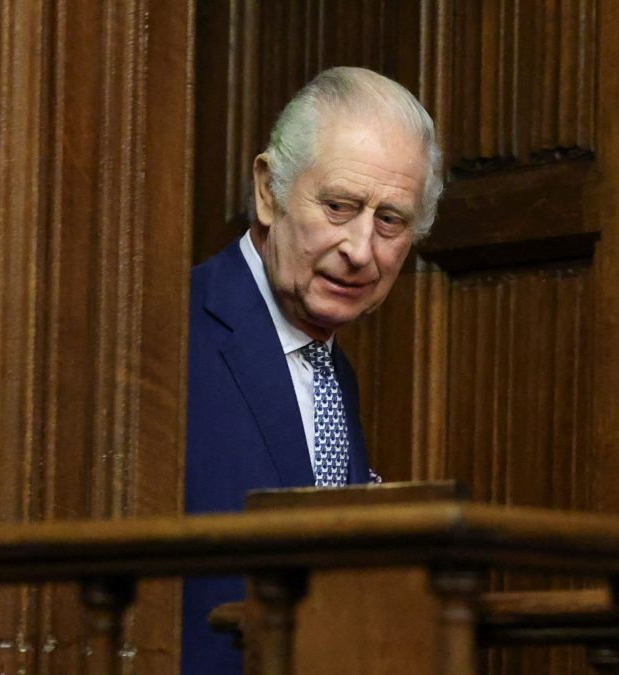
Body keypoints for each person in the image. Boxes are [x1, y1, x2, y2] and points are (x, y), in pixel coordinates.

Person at [183, 66, 443, 673]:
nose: (360, 249)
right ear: (269, 190)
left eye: (390, 221)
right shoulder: (171, 335)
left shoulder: (331, 369)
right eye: (338, 206)